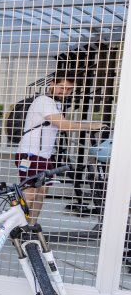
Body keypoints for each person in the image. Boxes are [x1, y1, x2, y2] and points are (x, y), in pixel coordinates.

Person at [16, 73, 105, 224]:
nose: (64, 92)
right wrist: (91, 126)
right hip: (30, 155)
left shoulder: (56, 103)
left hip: (44, 156)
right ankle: (16, 225)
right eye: (61, 87)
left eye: (69, 89)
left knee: (41, 193)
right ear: (52, 84)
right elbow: (63, 125)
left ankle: (30, 227)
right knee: (30, 193)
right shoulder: (44, 101)